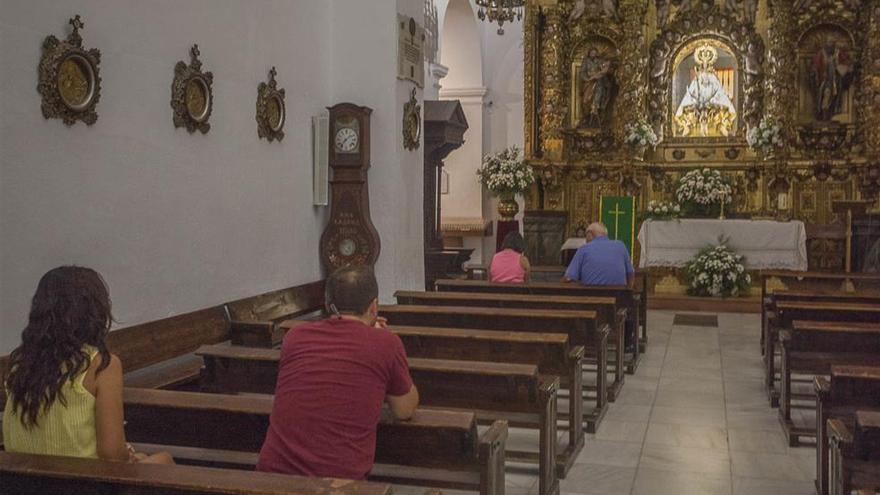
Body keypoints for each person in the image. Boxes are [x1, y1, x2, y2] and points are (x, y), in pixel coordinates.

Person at [257, 265, 419, 480]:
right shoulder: (386, 343)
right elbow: (404, 410)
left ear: (327, 303)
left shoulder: (295, 336)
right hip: (336, 484)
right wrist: (376, 335)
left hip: (270, 479)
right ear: (374, 307)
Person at [3, 266, 172, 464]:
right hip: (86, 482)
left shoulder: (20, 364)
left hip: (24, 483)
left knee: (144, 459)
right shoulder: (100, 366)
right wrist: (127, 454)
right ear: (95, 312)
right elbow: (112, 455)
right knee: (164, 460)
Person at [563, 222, 634, 287]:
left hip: (591, 297)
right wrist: (628, 291)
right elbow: (630, 273)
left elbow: (569, 278)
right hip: (619, 297)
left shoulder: (583, 249)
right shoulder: (620, 245)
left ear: (590, 234)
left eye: (586, 235)